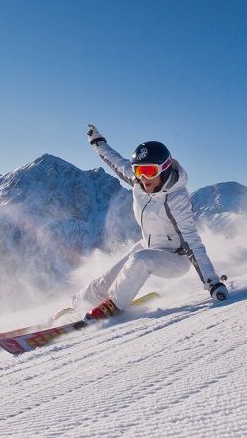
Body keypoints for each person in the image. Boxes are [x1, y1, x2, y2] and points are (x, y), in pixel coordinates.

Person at [71, 124, 228, 320]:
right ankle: (79, 304)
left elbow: (192, 241)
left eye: (149, 170)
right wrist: (97, 142)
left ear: (163, 169)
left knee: (140, 260)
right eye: (138, 171)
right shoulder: (139, 183)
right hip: (148, 245)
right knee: (104, 282)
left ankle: (113, 306)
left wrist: (212, 282)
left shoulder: (176, 199)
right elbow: (116, 162)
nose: (143, 178)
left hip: (175, 258)